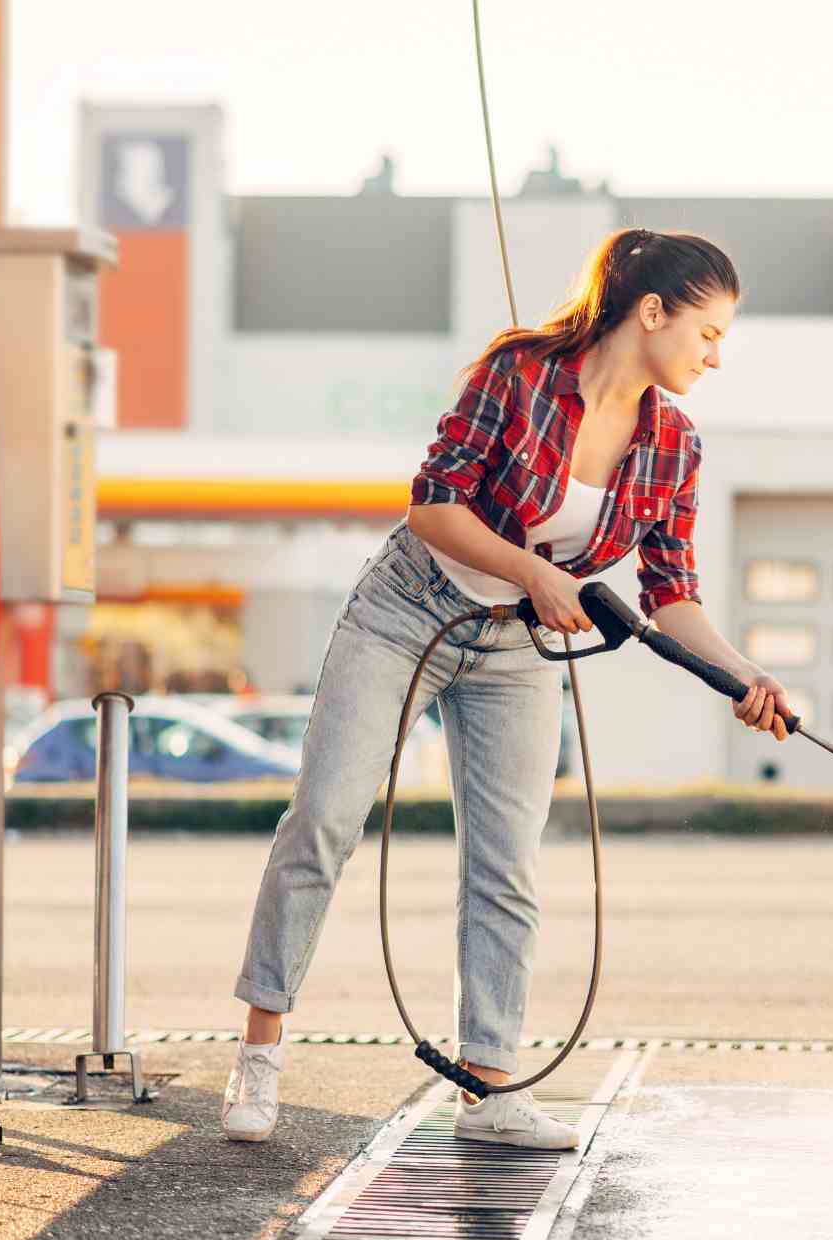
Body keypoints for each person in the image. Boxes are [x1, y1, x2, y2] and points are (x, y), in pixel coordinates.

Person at [220, 229, 792, 1148]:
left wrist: (744, 674)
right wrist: (534, 572)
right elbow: (433, 503)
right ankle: (258, 1054)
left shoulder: (675, 445)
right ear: (653, 312)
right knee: (325, 819)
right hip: (406, 612)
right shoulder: (521, 374)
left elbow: (671, 594)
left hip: (518, 653)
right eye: (710, 332)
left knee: (507, 864)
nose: (717, 355)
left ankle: (489, 1091)